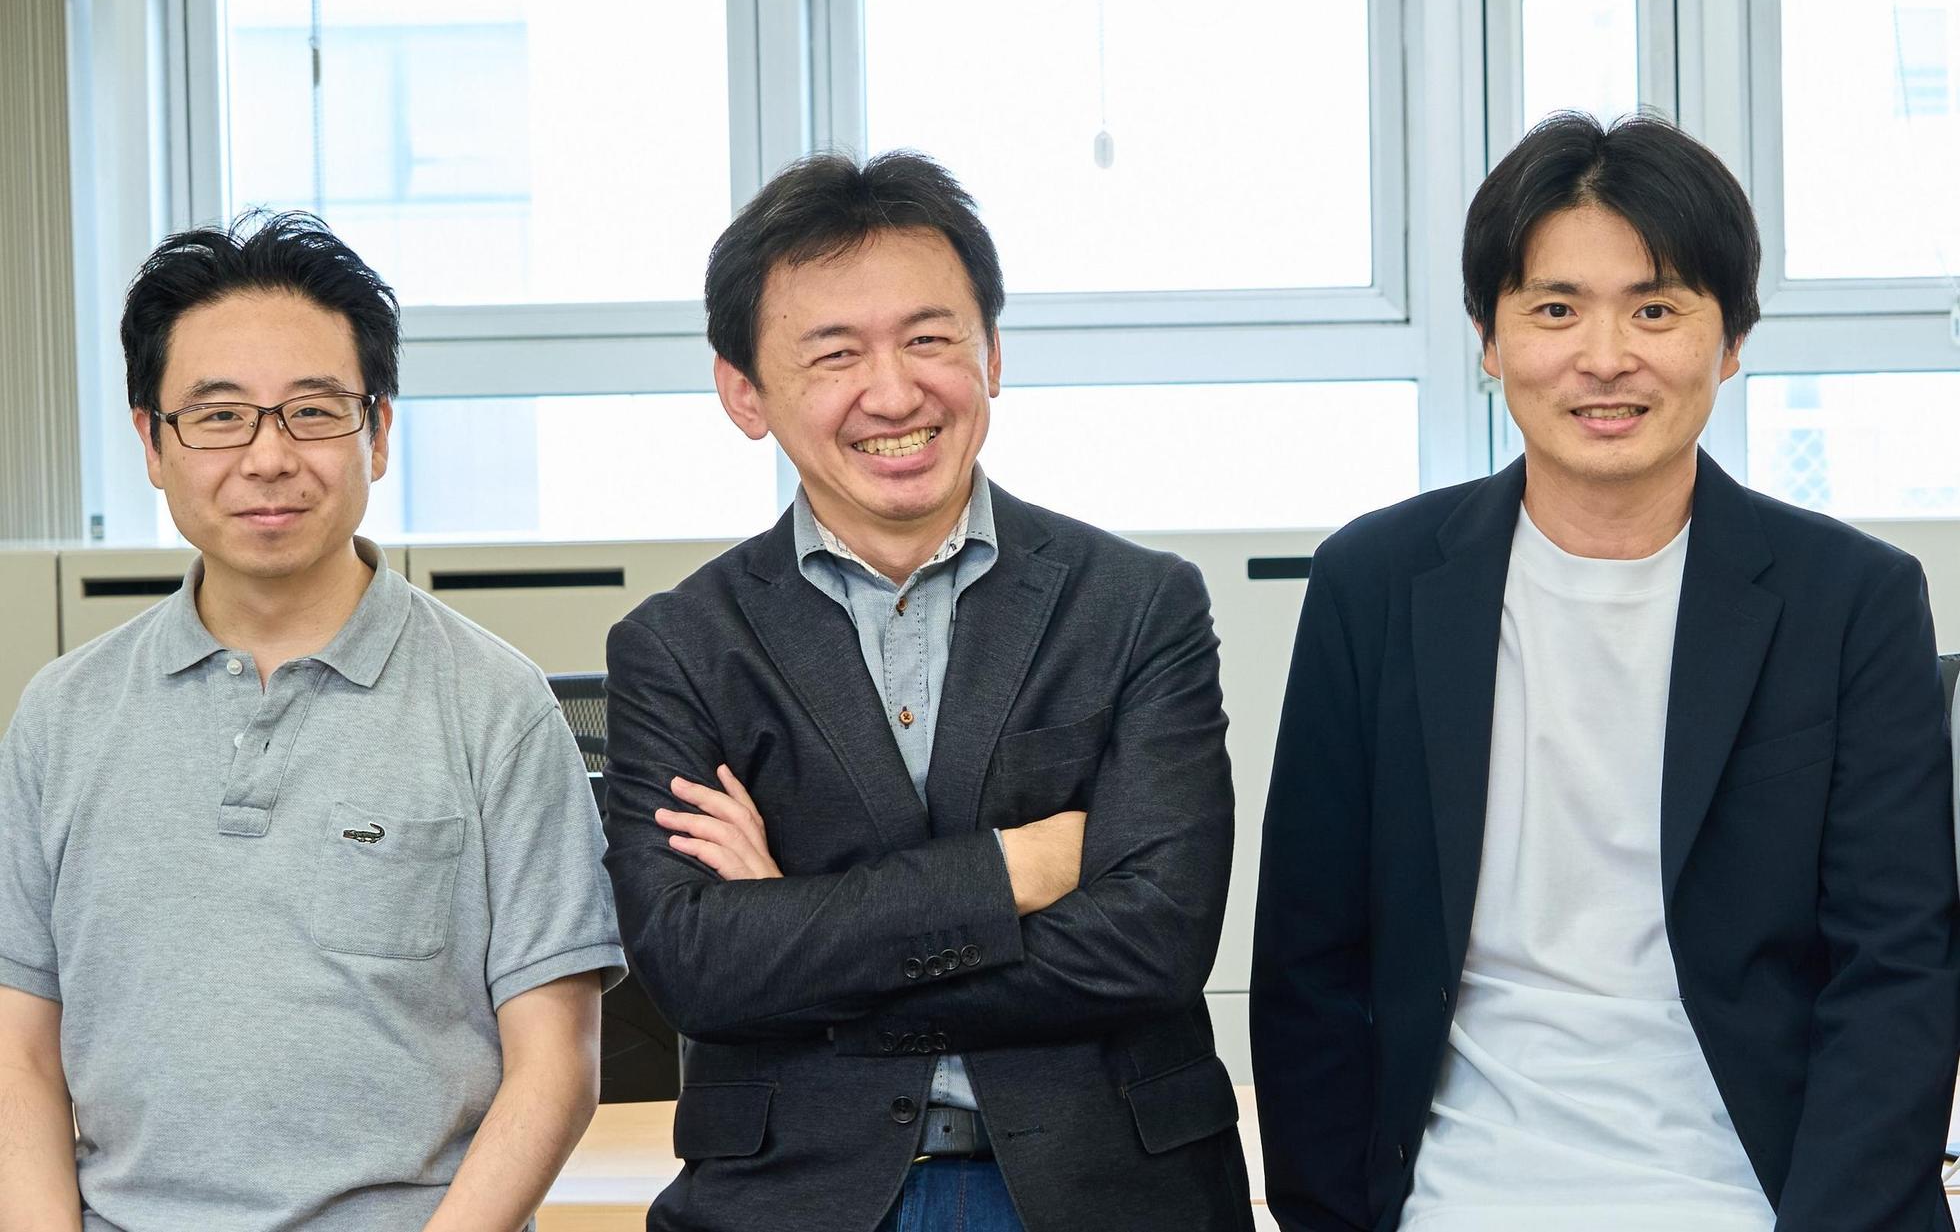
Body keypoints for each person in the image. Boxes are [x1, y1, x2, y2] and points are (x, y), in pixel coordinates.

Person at [1251, 113, 1960, 1232]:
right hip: (1452, 1196)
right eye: (1555, 309)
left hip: (1763, 1195)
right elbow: (1309, 964)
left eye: (1656, 309)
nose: (1604, 356)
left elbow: (1898, 971)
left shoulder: (1852, 600)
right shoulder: (1372, 584)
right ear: (1488, 338)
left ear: (1731, 339)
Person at [602, 151, 1252, 1232]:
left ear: (991, 354)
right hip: (794, 1201)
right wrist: (1013, 869)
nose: (895, 392)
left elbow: (1154, 942)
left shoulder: (1139, 604)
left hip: (1106, 1191)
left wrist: (802, 941)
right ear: (744, 393)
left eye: (929, 339)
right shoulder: (677, 647)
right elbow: (697, 968)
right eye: (834, 353)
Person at [0, 213, 627, 1232]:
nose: (268, 456)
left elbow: (557, 1062)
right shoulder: (59, 717)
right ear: (151, 442)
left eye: (312, 411)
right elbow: (18, 1055)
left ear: (377, 433)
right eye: (219, 416)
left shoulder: (497, 708)